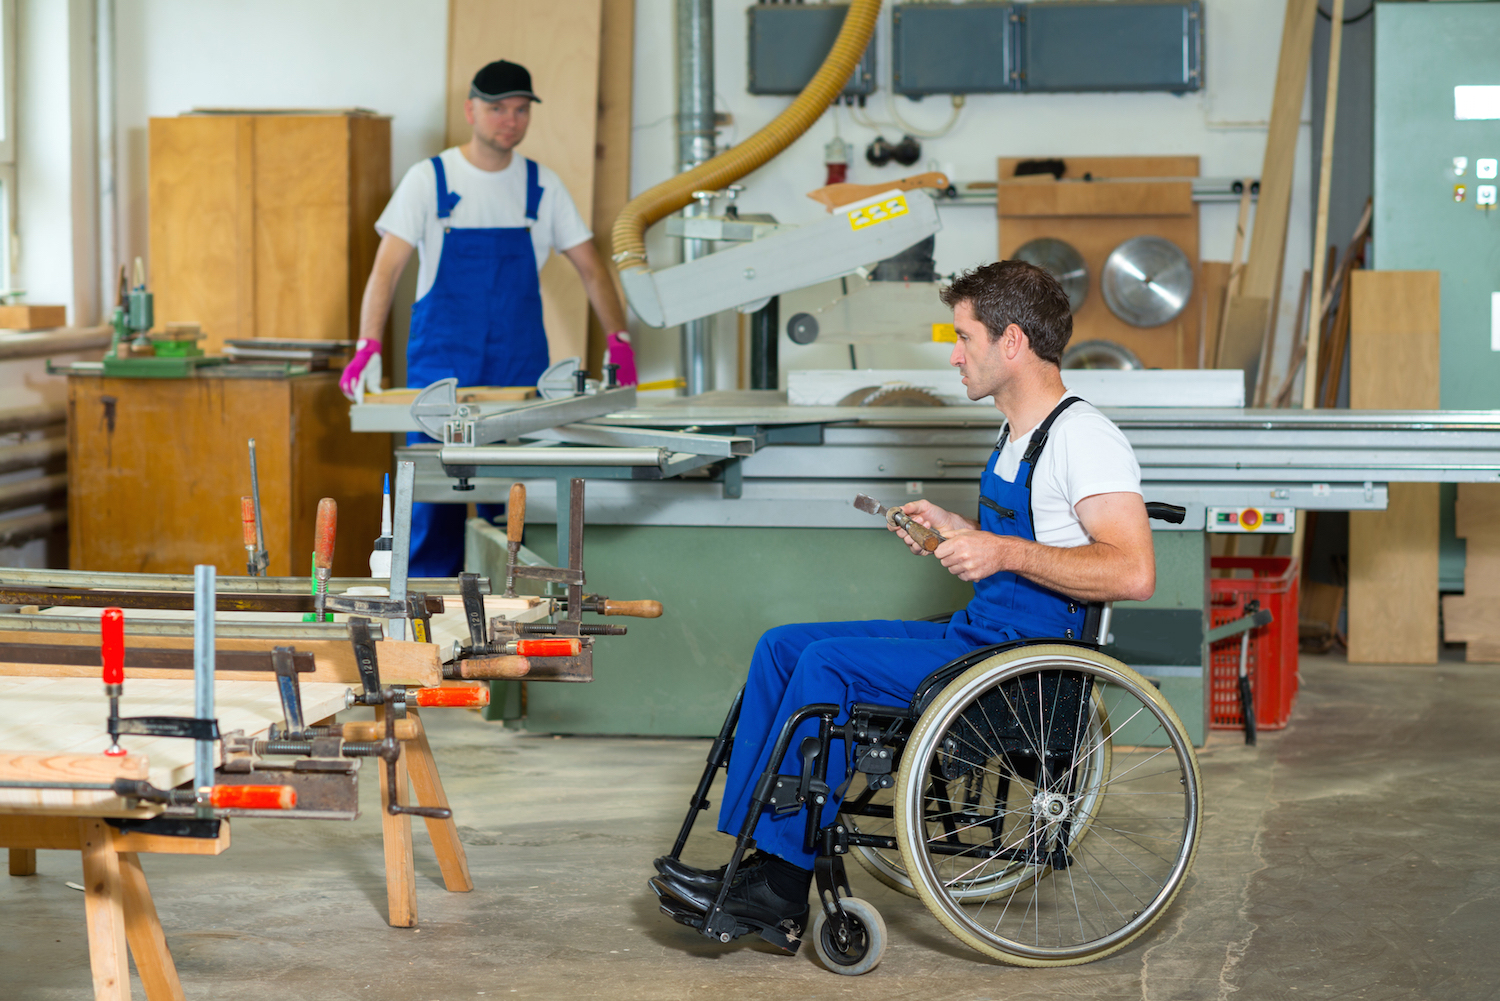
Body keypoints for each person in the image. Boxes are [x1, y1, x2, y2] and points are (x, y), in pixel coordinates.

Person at [648, 259, 1158, 945]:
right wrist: (962, 533)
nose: (953, 355)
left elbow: (1132, 571)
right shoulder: (1016, 434)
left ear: (1012, 342)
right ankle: (754, 858)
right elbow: (1031, 544)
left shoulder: (1082, 438)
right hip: (979, 634)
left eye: (964, 337)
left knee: (828, 667)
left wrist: (1000, 552)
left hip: (1023, 667)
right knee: (783, 646)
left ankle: (779, 888)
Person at [339, 59, 633, 577]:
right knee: (433, 511)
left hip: (518, 383)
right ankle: (425, 639)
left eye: (521, 109)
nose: (510, 120)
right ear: (471, 110)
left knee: (516, 518)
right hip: (438, 383)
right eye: (497, 108)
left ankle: (510, 633)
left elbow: (592, 268)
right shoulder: (429, 180)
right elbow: (386, 270)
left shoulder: (541, 187)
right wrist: (368, 345)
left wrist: (620, 338)